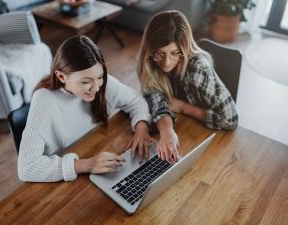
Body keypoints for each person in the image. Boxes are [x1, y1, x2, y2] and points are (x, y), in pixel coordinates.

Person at [18, 36, 153, 182]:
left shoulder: (98, 82)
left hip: (97, 155)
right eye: (85, 82)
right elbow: (27, 168)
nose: (96, 88)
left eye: (100, 77)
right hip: (65, 181)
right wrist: (87, 165)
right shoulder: (44, 100)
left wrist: (142, 129)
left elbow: (136, 100)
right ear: (62, 77)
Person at [138, 10, 238, 163]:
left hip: (211, 142)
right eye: (159, 53)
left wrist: (184, 107)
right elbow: (155, 97)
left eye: (175, 53)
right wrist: (166, 130)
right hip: (183, 131)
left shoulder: (199, 69)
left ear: (184, 49)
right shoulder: (150, 63)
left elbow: (231, 120)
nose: (166, 63)